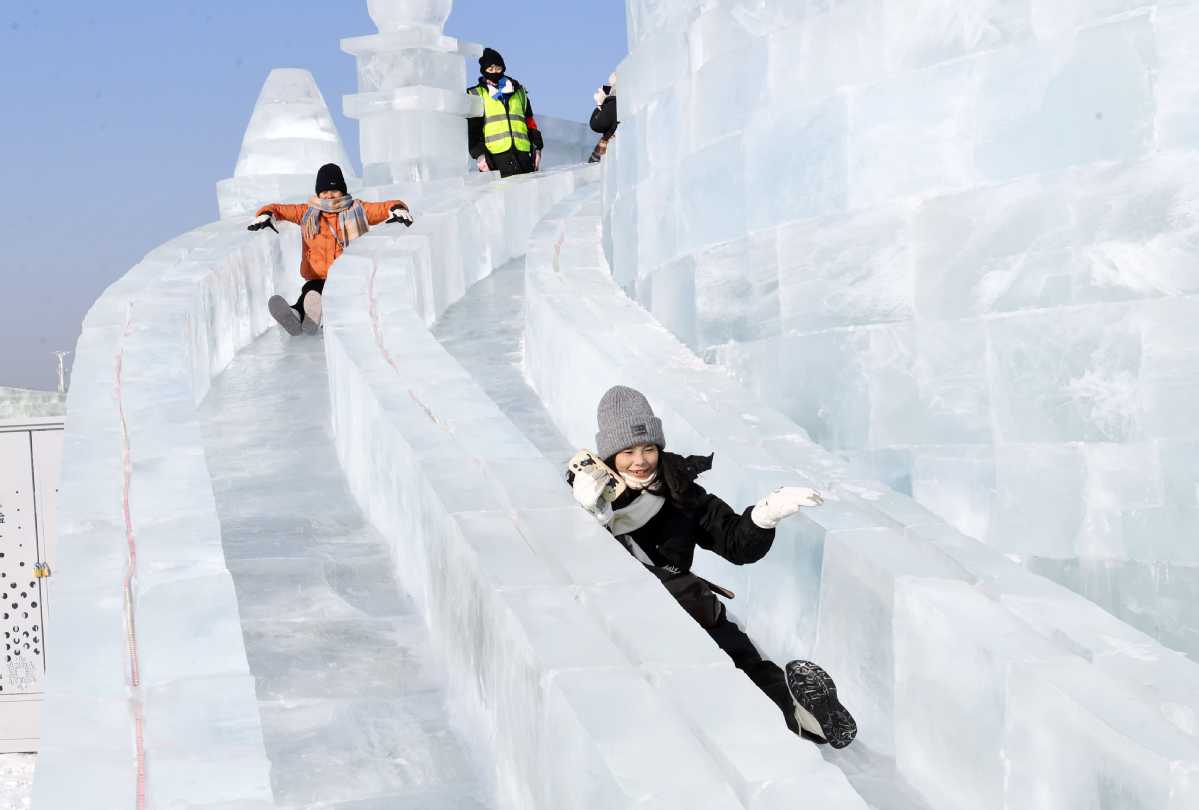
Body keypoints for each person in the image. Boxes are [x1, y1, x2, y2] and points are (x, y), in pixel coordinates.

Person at [568, 385, 858, 749]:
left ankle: (805, 716)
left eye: (648, 448)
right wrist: (591, 516)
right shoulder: (585, 491)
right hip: (631, 620)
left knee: (745, 658)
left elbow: (735, 543)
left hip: (688, 604)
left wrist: (764, 515)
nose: (640, 461)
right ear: (610, 454)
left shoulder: (681, 491)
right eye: (627, 451)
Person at [248, 163, 412, 336]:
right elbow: (279, 209)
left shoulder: (357, 209)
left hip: (345, 276)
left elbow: (382, 208)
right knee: (311, 292)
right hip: (317, 276)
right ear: (318, 193)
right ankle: (297, 314)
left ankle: (315, 316)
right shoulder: (306, 212)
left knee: (322, 295)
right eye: (324, 191)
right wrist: (266, 214)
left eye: (334, 190)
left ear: (343, 191)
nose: (329, 195)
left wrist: (397, 208)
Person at [467, 48, 544, 178]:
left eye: (498, 68)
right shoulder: (476, 94)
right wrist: (479, 155)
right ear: (484, 70)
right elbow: (473, 130)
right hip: (495, 159)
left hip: (523, 156)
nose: (495, 72)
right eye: (490, 69)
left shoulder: (519, 92)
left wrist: (537, 147)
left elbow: (530, 122)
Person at [588, 73, 618, 164]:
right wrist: (600, 103)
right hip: (601, 116)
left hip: (596, 117)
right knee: (614, 125)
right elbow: (598, 94)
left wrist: (600, 104)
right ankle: (597, 155)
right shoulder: (613, 88)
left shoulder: (610, 87)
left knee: (611, 129)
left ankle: (596, 155)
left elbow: (598, 94)